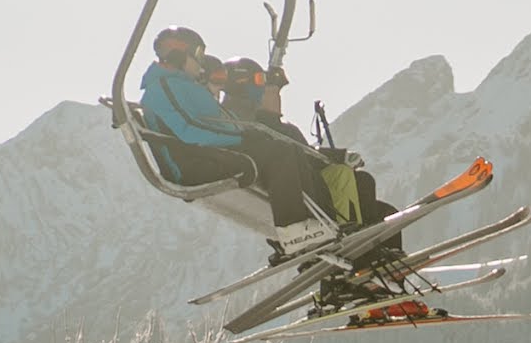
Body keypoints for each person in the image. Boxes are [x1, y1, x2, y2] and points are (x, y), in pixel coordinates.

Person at [138, 26, 365, 238]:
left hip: (207, 155)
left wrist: (247, 133)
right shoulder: (164, 86)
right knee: (278, 151)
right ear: (178, 54)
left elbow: (217, 122)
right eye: (197, 53)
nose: (200, 61)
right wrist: (241, 137)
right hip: (193, 164)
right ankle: (294, 230)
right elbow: (190, 129)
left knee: (285, 148)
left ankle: (320, 225)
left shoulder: (182, 86)